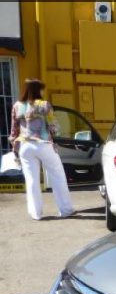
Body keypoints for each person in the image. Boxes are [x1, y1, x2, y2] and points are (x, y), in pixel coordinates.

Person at [9, 78, 74, 220]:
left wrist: (14, 146)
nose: (43, 91)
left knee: (31, 180)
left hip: (25, 146)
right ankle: (66, 210)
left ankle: (36, 214)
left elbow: (14, 131)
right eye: (42, 89)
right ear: (38, 90)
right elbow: (54, 127)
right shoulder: (44, 105)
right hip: (44, 144)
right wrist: (57, 132)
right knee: (58, 176)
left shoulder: (17, 106)